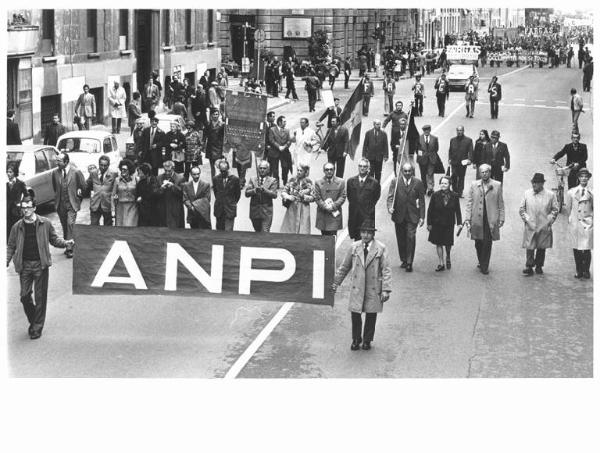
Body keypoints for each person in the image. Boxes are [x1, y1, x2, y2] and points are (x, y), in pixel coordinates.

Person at [7, 196, 74, 340]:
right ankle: (34, 320)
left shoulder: (46, 223)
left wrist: (66, 243)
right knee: (24, 296)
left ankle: (37, 328)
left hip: (40, 265)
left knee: (40, 298)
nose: (26, 210)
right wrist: (5, 262)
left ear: (34, 208)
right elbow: (11, 246)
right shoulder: (17, 226)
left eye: (28, 207)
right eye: (23, 207)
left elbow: (54, 240)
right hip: (24, 266)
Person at [331, 219, 392, 351]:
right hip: (357, 285)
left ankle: (367, 340)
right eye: (363, 232)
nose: (365, 235)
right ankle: (356, 338)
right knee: (355, 314)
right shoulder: (354, 247)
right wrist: (336, 282)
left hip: (373, 285)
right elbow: (344, 267)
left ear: (373, 234)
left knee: (371, 314)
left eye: (368, 233)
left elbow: (386, 269)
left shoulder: (381, 248)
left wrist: (386, 289)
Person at [464, 164, 505, 275]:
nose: (484, 174)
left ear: (490, 172)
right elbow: (469, 203)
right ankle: (481, 260)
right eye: (482, 172)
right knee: (478, 242)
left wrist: (501, 218)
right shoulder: (474, 185)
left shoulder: (497, 185)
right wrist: (467, 218)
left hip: (490, 219)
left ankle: (484, 265)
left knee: (487, 242)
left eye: (486, 172)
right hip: (477, 218)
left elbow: (500, 203)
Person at [387, 163, 426, 272]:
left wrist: (422, 217)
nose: (407, 173)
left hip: (412, 215)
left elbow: (422, 201)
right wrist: (390, 207)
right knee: (401, 238)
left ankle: (409, 262)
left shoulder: (418, 183)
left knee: (410, 237)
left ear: (412, 171)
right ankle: (403, 259)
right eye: (405, 171)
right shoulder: (395, 182)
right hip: (399, 215)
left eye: (409, 171)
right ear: (402, 171)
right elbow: (390, 197)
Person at [518, 173, 559, 276]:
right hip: (530, 224)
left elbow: (555, 209)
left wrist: (549, 221)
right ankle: (529, 266)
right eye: (533, 182)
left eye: (536, 183)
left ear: (542, 184)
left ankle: (539, 266)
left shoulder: (550, 195)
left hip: (543, 224)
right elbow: (522, 209)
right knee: (530, 246)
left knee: (541, 246)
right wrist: (527, 220)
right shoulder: (527, 193)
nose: (534, 185)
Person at [51, 153, 85, 259]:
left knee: (70, 223)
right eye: (57, 160)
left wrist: (78, 197)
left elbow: (83, 186)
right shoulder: (55, 172)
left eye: (59, 161)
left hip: (71, 204)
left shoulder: (76, 172)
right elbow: (55, 188)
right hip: (60, 204)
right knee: (64, 225)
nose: (57, 163)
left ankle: (70, 248)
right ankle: (67, 244)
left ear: (66, 162)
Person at [427, 175, 462, 271]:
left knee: (448, 242)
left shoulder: (455, 196)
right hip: (437, 223)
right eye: (442, 183)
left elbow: (457, 210)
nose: (443, 185)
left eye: (445, 183)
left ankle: (448, 255)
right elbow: (430, 210)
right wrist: (429, 224)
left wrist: (459, 223)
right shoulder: (435, 195)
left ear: (449, 184)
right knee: (438, 243)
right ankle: (441, 263)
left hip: (449, 223)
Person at [565, 168, 593, 279]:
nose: (584, 179)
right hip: (576, 223)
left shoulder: (593, 192)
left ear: (588, 178)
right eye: (582, 176)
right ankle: (578, 270)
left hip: (587, 223)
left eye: (586, 176)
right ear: (578, 178)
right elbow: (568, 208)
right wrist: (571, 219)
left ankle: (586, 270)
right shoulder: (572, 192)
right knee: (576, 247)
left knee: (586, 248)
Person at [346, 159, 381, 241]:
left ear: (368, 168)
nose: (362, 168)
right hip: (354, 214)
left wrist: (368, 207)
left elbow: (376, 197)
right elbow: (349, 196)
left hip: (367, 214)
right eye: (360, 166)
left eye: (364, 166)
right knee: (356, 239)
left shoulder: (374, 182)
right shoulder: (351, 181)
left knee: (366, 238)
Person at [280, 163, 314, 234]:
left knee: (303, 228)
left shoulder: (309, 182)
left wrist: (304, 197)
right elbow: (283, 191)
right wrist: (288, 196)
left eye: (301, 171)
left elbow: (313, 197)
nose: (298, 172)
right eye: (298, 170)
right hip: (292, 207)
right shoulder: (292, 180)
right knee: (290, 227)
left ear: (305, 172)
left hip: (304, 208)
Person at [245, 160, 278, 233]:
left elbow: (274, 195)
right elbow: (247, 193)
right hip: (255, 212)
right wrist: (254, 190)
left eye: (264, 168)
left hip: (266, 212)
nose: (262, 170)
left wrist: (265, 190)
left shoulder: (273, 180)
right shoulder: (253, 179)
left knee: (265, 232)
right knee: (257, 232)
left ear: (268, 170)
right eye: (260, 168)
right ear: (258, 169)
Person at [314, 163, 346, 236]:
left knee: (332, 237)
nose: (329, 171)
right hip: (323, 214)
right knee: (324, 236)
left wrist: (333, 206)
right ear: (324, 171)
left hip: (334, 214)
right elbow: (317, 197)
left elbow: (342, 196)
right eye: (327, 169)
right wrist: (325, 206)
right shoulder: (318, 182)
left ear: (334, 170)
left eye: (331, 169)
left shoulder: (341, 182)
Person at [85, 156, 117, 226]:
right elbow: (87, 185)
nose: (103, 167)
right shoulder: (93, 173)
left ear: (108, 165)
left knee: (107, 227)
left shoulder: (113, 174)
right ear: (98, 164)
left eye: (105, 165)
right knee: (94, 225)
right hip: (95, 204)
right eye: (101, 165)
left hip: (107, 204)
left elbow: (116, 187)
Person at [212, 159, 241, 231]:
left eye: (224, 171)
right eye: (221, 171)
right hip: (219, 209)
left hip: (230, 209)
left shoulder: (235, 179)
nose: (223, 172)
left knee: (229, 231)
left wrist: (231, 202)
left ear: (228, 169)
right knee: (219, 231)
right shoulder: (215, 179)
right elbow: (216, 192)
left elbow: (237, 194)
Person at [157, 160, 185, 228]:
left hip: (175, 208)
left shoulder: (180, 178)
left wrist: (173, 186)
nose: (167, 173)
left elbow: (183, 193)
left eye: (169, 171)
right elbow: (156, 193)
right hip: (163, 208)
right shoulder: (159, 178)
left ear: (173, 168)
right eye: (165, 170)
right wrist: (161, 188)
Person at [182, 165, 212, 230]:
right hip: (192, 214)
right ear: (191, 174)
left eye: (198, 174)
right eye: (194, 174)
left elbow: (207, 199)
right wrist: (191, 207)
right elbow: (185, 198)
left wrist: (195, 206)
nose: (197, 176)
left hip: (203, 214)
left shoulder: (206, 185)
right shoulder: (186, 185)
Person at [448, 125, 473, 197]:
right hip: (454, 162)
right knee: (454, 176)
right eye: (458, 130)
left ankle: (460, 191)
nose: (459, 132)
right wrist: (449, 159)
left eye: (461, 130)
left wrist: (470, 159)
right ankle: (454, 190)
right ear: (456, 131)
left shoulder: (468, 140)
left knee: (461, 177)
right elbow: (450, 150)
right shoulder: (452, 140)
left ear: (463, 131)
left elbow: (471, 151)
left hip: (463, 162)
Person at [111, 159, 138, 227]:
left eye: (125, 170)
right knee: (120, 227)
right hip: (120, 207)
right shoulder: (117, 180)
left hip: (132, 207)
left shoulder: (136, 180)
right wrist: (113, 210)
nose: (122, 171)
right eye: (121, 169)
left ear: (130, 170)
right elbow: (113, 195)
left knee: (130, 226)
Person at [417, 125, 442, 196]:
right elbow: (417, 149)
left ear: (430, 130)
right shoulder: (419, 138)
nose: (426, 132)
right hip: (422, 159)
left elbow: (436, 149)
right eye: (425, 130)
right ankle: (424, 188)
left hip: (431, 159)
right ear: (423, 131)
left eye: (428, 130)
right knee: (423, 175)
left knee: (430, 173)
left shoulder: (434, 138)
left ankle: (430, 188)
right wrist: (421, 155)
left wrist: (431, 154)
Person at [268, 115, 293, 186]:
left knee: (285, 168)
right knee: (275, 169)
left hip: (284, 152)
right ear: (279, 122)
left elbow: (289, 141)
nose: (285, 123)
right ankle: (276, 184)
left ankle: (285, 181)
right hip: (274, 152)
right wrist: (279, 147)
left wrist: (284, 146)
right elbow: (271, 140)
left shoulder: (287, 130)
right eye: (284, 121)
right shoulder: (272, 129)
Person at [6, 164, 28, 240]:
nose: (8, 174)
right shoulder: (5, 183)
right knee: (8, 231)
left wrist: (21, 204)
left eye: (10, 172)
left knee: (18, 229)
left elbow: (27, 195)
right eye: (7, 172)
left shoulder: (20, 183)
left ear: (15, 173)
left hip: (16, 211)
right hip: (7, 211)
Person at [203, 108, 225, 180]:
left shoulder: (222, 125)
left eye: (217, 114)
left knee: (219, 166)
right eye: (214, 114)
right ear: (211, 115)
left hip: (219, 148)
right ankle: (214, 182)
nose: (215, 116)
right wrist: (203, 146)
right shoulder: (208, 125)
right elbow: (204, 136)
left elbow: (224, 137)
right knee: (212, 167)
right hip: (210, 148)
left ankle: (220, 182)